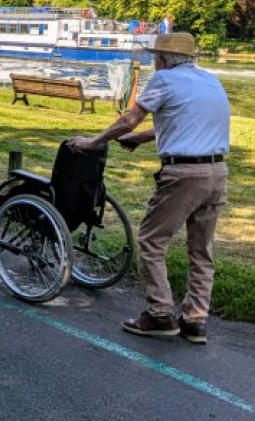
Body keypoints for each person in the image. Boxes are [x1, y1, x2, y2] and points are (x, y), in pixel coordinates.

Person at [71, 32, 230, 345]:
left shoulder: (164, 80)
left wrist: (93, 142)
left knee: (152, 240)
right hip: (217, 172)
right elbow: (183, 122)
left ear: (164, 59)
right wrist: (141, 139)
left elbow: (130, 118)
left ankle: (159, 313)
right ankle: (196, 319)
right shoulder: (210, 81)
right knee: (201, 249)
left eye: (155, 56)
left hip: (183, 173)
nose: (153, 62)